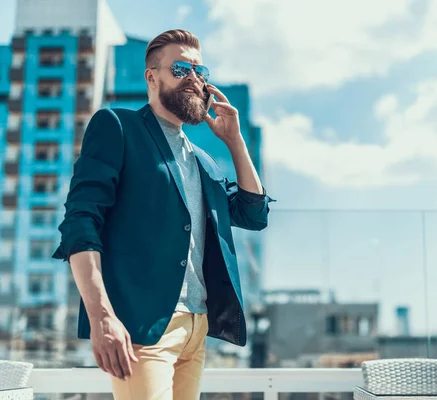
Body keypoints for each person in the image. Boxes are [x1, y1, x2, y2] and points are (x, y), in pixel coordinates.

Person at [52, 29, 275, 399]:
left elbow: (254, 214)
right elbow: (80, 222)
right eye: (180, 68)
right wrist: (101, 316)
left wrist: (236, 141)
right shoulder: (118, 126)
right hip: (143, 322)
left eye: (200, 72)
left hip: (197, 326)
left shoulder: (204, 162)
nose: (194, 79)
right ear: (151, 77)